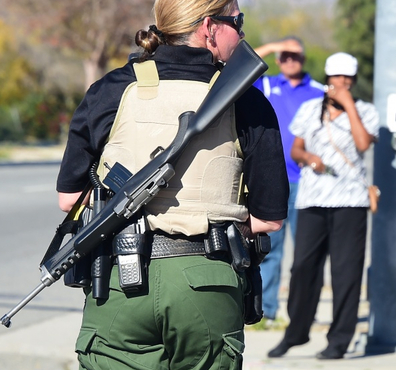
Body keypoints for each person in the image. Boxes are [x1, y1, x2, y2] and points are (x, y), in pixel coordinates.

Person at [55, 0, 289, 368]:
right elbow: (270, 218)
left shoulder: (112, 90)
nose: (242, 32)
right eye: (237, 21)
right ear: (209, 28)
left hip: (118, 279)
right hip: (208, 281)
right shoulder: (248, 102)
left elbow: (69, 199)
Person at [266, 52, 379, 360]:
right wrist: (310, 159)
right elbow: (296, 148)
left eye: (347, 78)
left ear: (353, 81)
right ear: (328, 79)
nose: (340, 83)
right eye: (336, 77)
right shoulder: (310, 108)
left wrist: (350, 106)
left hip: (350, 201)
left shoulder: (366, 111)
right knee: (302, 267)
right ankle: (296, 332)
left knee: (346, 272)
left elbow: (363, 144)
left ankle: (339, 340)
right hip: (313, 198)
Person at [252, 36, 325, 325]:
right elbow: (234, 65)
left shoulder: (319, 92)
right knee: (271, 250)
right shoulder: (268, 85)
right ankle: (268, 312)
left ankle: (304, 313)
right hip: (274, 181)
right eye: (284, 56)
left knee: (308, 253)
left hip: (309, 182)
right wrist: (272, 47)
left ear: (304, 59)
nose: (289, 60)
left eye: (295, 56)